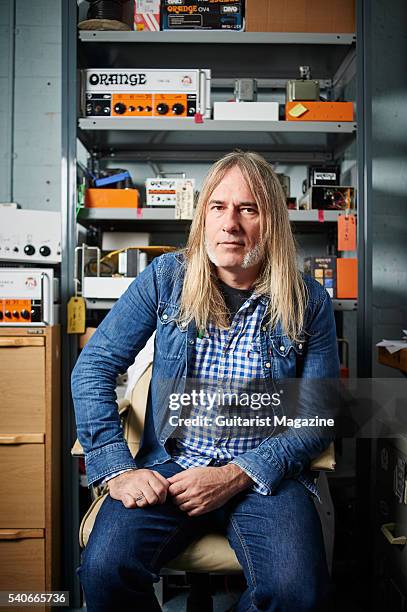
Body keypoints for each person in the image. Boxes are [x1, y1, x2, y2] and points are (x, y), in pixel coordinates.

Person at [72, 151, 340, 612]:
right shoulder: (166, 278)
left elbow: (319, 413)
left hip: (263, 474)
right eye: (217, 207)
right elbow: (93, 367)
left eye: (248, 209)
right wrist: (115, 466)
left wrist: (234, 474)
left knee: (299, 593)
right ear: (202, 217)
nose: (230, 224)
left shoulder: (308, 301)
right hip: (171, 466)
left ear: (271, 221)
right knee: (103, 570)